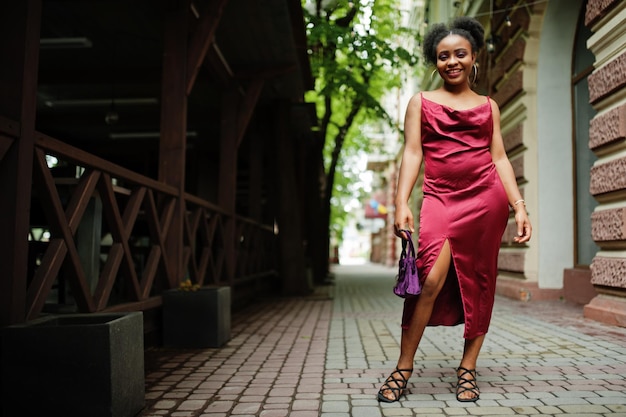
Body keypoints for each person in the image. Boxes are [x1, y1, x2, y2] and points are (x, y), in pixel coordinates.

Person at [377, 16, 532, 403]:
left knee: (480, 283)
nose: (452, 62)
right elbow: (413, 153)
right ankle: (403, 366)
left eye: (459, 54)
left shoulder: (488, 106)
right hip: (440, 199)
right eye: (443, 56)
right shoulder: (422, 102)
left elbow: (499, 158)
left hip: (485, 201)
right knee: (428, 280)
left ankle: (467, 369)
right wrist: (400, 203)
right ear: (435, 62)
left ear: (473, 56)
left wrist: (519, 206)